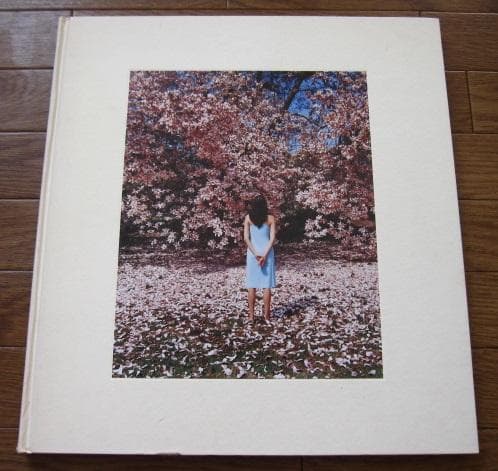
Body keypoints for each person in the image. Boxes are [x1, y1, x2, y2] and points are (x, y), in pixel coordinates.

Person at [243, 194, 276, 325]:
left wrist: (255, 254)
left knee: (252, 285)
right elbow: (272, 239)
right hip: (267, 254)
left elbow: (246, 238)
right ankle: (266, 317)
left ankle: (251, 317)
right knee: (266, 286)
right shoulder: (270, 218)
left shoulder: (248, 218)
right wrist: (264, 255)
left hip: (252, 254)